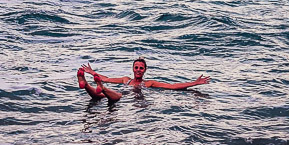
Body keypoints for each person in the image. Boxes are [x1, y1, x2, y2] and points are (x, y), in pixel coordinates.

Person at [77, 57, 210, 102]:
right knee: (97, 96)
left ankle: (100, 87)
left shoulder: (149, 83)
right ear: (133, 69)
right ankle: (85, 83)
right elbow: (106, 78)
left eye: (141, 68)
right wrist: (91, 72)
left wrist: (195, 83)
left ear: (145, 70)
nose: (139, 70)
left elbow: (172, 86)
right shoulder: (126, 80)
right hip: (122, 96)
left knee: (109, 95)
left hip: (126, 99)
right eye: (136, 67)